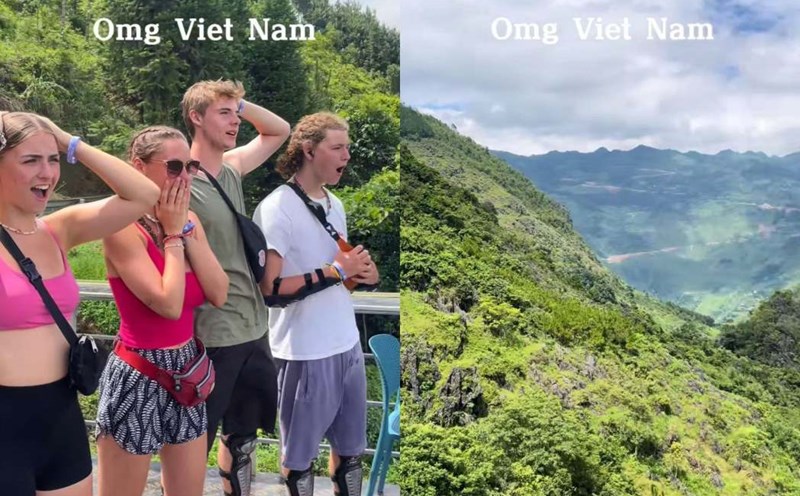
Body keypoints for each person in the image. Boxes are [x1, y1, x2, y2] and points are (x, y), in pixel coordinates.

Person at [0, 111, 160, 495]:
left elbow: (144, 194)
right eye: (30, 160)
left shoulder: (59, 229)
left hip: (62, 416)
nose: (48, 173)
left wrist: (65, 138)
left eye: (52, 159)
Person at [94, 126, 230, 496]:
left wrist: (181, 228)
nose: (184, 177)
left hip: (186, 368)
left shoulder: (189, 221)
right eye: (173, 166)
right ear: (138, 167)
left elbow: (219, 292)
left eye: (190, 166)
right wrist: (173, 235)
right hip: (140, 369)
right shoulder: (121, 227)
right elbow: (168, 305)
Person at [253, 112, 379, 496]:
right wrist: (334, 272)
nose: (347, 156)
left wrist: (360, 277)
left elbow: (340, 277)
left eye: (348, 148)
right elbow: (270, 290)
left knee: (351, 455)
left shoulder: (334, 203)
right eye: (338, 147)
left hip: (346, 344)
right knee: (299, 461)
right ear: (308, 150)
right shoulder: (277, 208)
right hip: (304, 351)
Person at [181, 79, 290, 496]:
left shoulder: (230, 168)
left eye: (236, 114)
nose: (235, 122)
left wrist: (237, 102)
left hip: (253, 324)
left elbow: (278, 130)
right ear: (196, 118)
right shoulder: (182, 182)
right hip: (213, 332)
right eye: (223, 114)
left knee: (243, 437)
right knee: (196, 439)